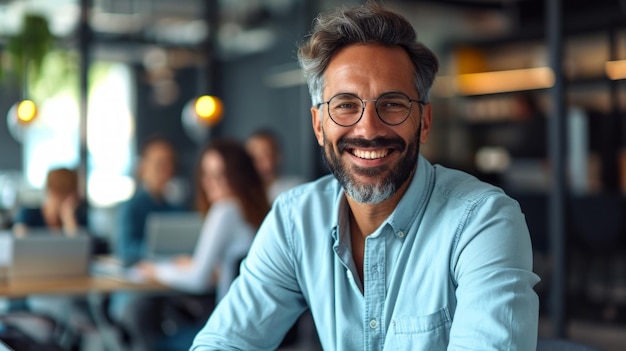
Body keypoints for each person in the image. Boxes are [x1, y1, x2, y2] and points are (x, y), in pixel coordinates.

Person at [191, 2, 540, 351]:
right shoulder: (295, 220)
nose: (368, 128)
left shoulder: (482, 221)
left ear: (425, 122)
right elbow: (224, 341)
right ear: (318, 125)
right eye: (345, 105)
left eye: (392, 104)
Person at [117, 138, 271, 351]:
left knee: (149, 340)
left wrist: (155, 270)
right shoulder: (257, 210)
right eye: (206, 174)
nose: (209, 182)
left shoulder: (225, 210)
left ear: (237, 176)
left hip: (227, 330)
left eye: (219, 175)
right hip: (258, 327)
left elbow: (198, 278)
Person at [114, 135, 184, 267]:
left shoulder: (178, 209)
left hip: (173, 280)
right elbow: (124, 249)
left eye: (169, 163)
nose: (166, 169)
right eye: (159, 164)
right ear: (142, 168)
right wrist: (162, 251)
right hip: (140, 283)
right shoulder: (130, 208)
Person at [13, 167, 87, 236]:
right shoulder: (27, 215)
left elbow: (77, 246)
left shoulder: (78, 219)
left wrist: (68, 219)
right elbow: (19, 243)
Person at [245, 128, 306, 202]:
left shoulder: (296, 189)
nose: (258, 160)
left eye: (265, 154)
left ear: (278, 156)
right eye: (253, 156)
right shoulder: (240, 192)